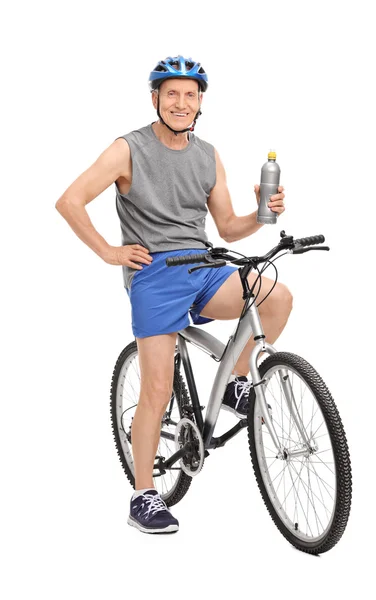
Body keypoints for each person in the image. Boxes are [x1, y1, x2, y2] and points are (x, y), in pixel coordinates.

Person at [55, 55, 291, 534]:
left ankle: (233, 382)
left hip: (202, 266)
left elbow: (227, 226)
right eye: (171, 94)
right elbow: (70, 200)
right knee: (157, 390)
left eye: (190, 95)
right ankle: (143, 495)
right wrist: (108, 252)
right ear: (155, 98)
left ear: (200, 101)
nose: (181, 103)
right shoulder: (128, 148)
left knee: (277, 297)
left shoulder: (208, 154)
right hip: (154, 275)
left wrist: (262, 214)